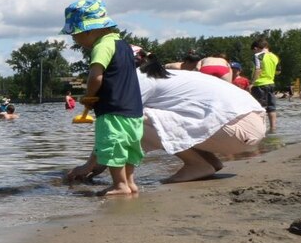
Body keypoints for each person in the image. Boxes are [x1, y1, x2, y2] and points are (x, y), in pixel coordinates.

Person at [70, 50, 266, 184]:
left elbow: (118, 123)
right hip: (250, 124)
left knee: (132, 119)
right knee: (167, 116)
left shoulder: (138, 80)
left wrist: (89, 165)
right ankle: (210, 162)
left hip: (235, 130)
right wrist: (100, 162)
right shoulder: (163, 74)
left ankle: (197, 164)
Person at [62, 0, 142, 196]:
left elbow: (96, 76)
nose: (76, 41)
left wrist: (89, 96)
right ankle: (130, 182)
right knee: (129, 147)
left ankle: (119, 185)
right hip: (134, 110)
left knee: (113, 146)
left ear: (88, 31)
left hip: (112, 108)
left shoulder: (102, 46)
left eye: (76, 36)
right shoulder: (123, 45)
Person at [249, 37, 280, 132]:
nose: (254, 53)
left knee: (260, 108)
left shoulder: (258, 55)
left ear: (255, 48)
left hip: (260, 84)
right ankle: (273, 128)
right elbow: (278, 72)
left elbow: (258, 70)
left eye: (253, 51)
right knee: (271, 108)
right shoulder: (274, 57)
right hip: (271, 83)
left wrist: (252, 83)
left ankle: (261, 129)